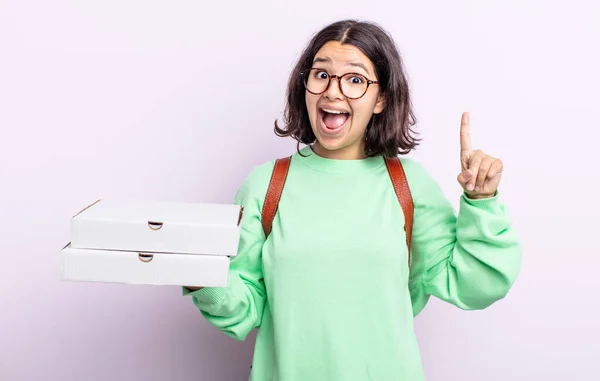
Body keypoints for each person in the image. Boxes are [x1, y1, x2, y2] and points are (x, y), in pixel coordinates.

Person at [183, 19, 521, 381]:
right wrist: (199, 274)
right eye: (321, 75)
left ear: (381, 99)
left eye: (356, 79)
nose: (333, 92)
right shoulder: (266, 184)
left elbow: (477, 285)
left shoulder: (408, 185)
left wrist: (482, 200)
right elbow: (243, 310)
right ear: (305, 85)